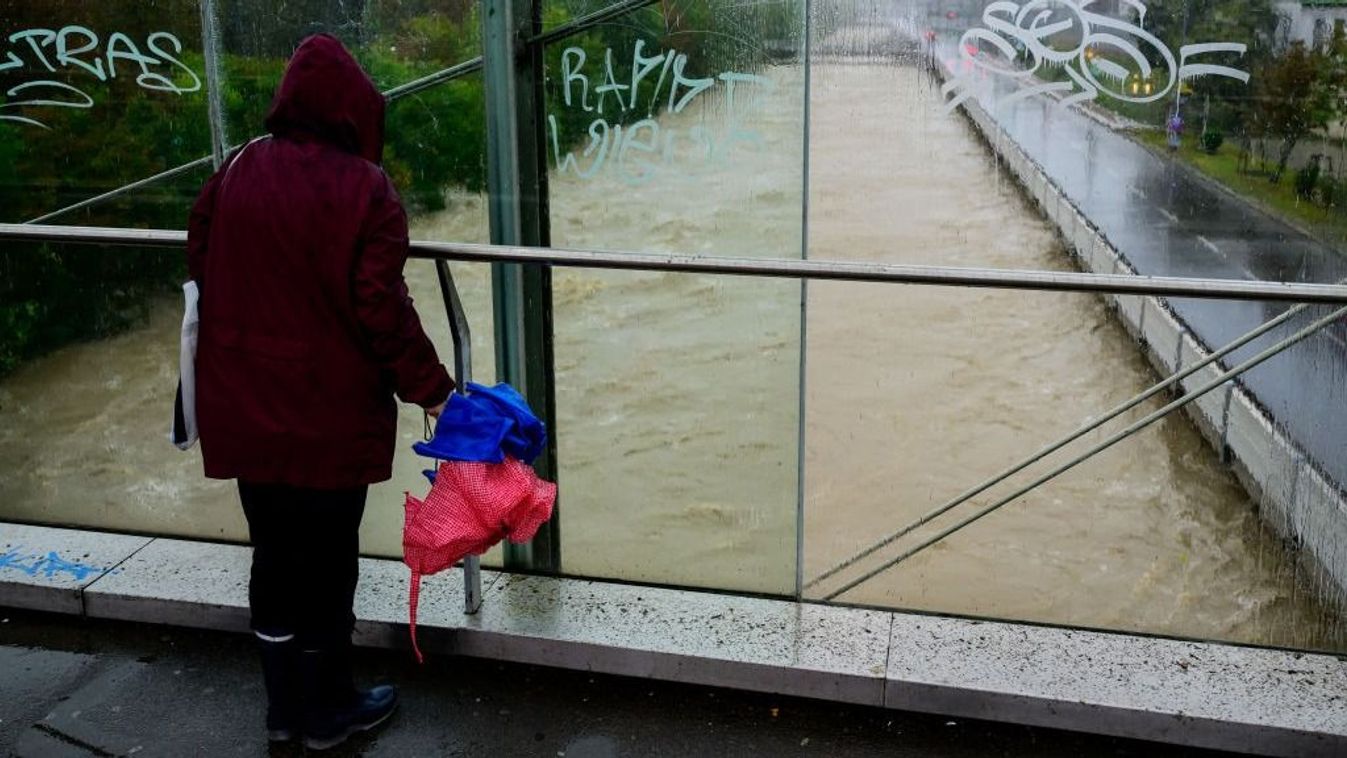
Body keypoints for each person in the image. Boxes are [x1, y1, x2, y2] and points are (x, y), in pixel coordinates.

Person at [186, 34, 454, 750]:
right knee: (329, 562)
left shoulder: (237, 167)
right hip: (328, 413)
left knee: (272, 555)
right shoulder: (366, 189)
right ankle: (330, 709)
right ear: (353, 111)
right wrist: (434, 391)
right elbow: (381, 307)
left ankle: (283, 710)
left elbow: (199, 255)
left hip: (243, 406)